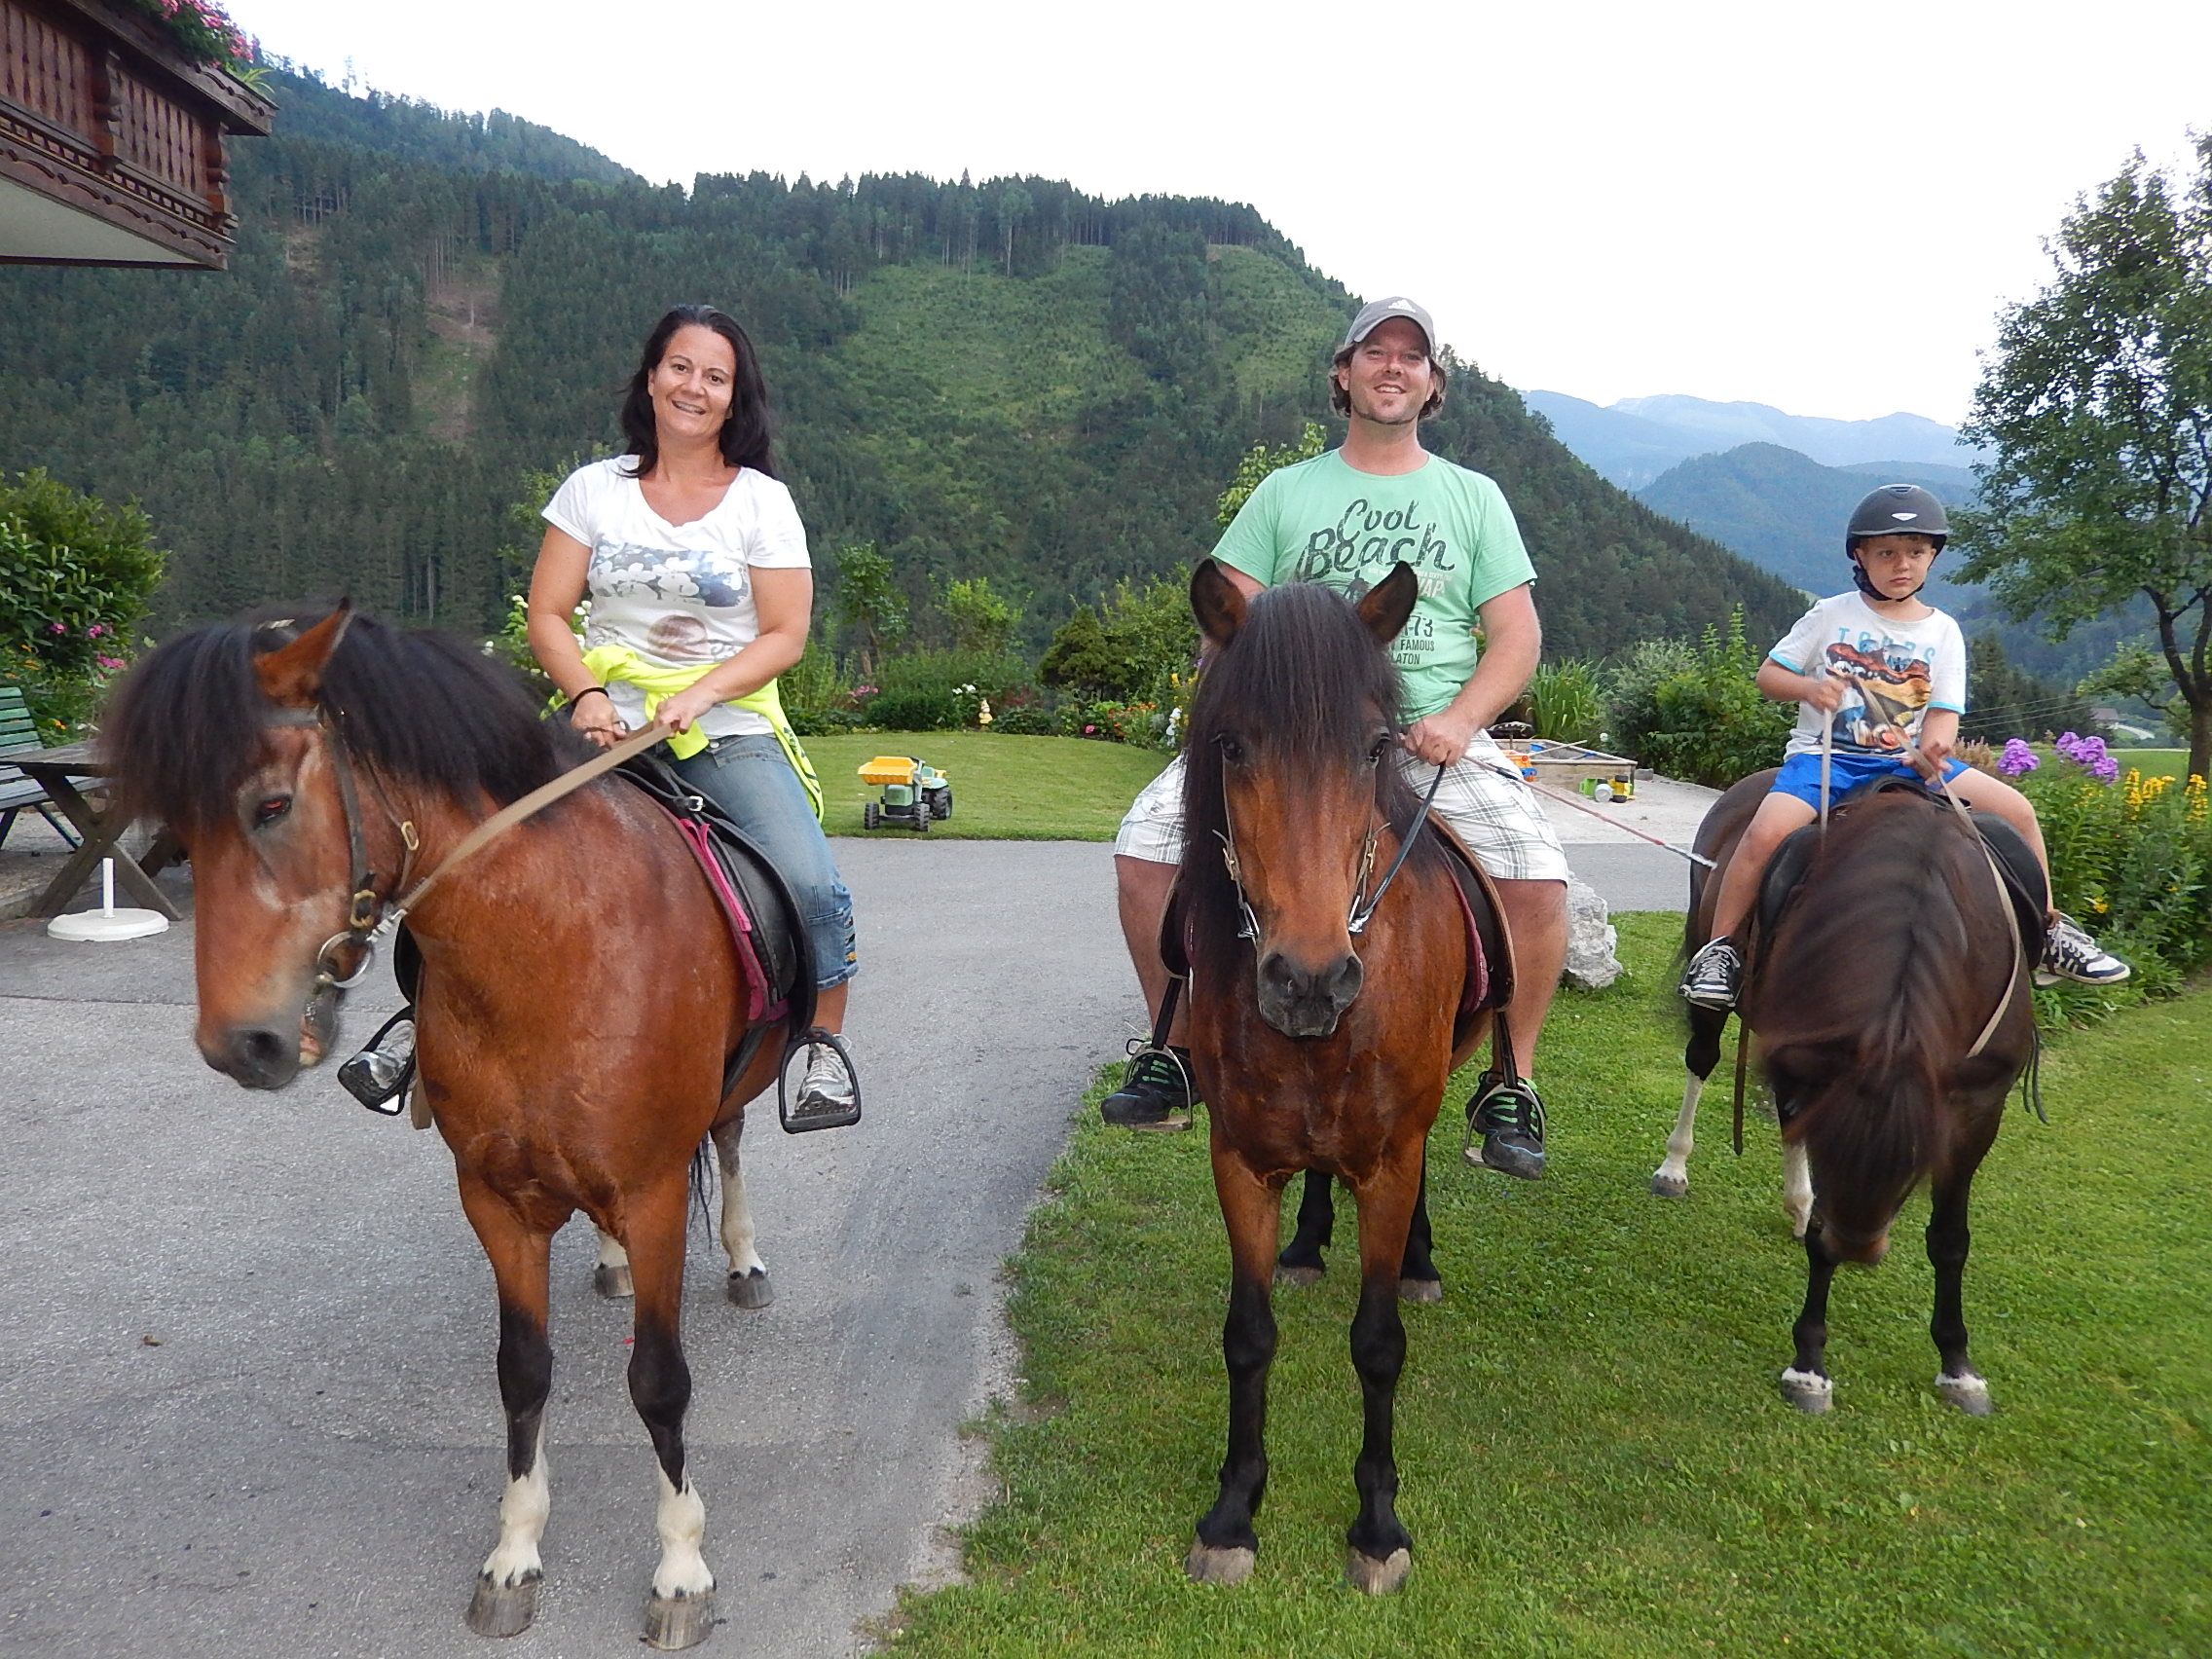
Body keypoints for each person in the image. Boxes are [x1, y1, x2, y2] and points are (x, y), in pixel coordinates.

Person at [1100, 296, 1572, 1180]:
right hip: (1292, 742)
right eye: (1375, 352)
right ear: (1343, 374)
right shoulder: (1286, 492)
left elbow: (1517, 638)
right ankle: (1177, 1047)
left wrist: (1460, 720)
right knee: (1144, 849)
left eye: (1411, 356)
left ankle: (1512, 1080)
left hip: (1429, 733)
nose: (1393, 367)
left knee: (1538, 879)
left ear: (1433, 383)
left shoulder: (1474, 497)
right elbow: (1226, 618)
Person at [528, 303, 861, 1124]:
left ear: (734, 397)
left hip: (726, 728)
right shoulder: (592, 490)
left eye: (716, 376)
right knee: (475, 842)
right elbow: (548, 614)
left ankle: (821, 1047)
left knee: (812, 883)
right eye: (680, 367)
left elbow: (785, 634)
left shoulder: (761, 502)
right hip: (602, 726)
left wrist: (703, 693)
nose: (694, 387)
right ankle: (420, 1025)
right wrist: (588, 695)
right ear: (651, 377)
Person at [1677, 483, 2130, 1010]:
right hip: (1825, 760)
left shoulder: (1943, 631)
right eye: (1887, 553)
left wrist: (1934, 751)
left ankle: (2050, 932)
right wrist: (1808, 688)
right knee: (1763, 834)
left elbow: (1943, 711)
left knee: (2019, 812)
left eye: (1915, 552)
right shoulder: (1830, 614)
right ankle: (1722, 950)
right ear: (1860, 557)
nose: (1902, 564)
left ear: (1932, 556)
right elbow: (1769, 676)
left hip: (1907, 763)